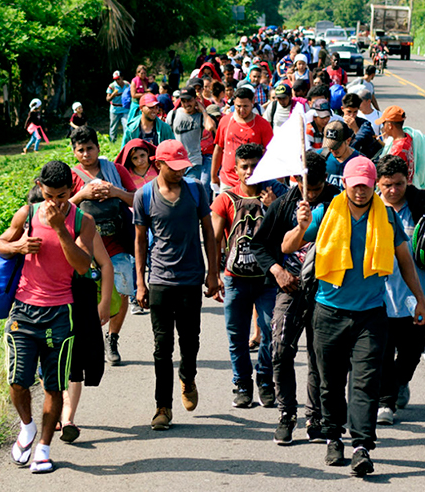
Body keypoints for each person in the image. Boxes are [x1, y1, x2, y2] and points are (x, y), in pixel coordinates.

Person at [281, 156, 425, 476]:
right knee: (330, 382)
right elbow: (287, 244)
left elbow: (404, 260)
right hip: (329, 313)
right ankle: (334, 437)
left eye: (366, 184)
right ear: (345, 183)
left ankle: (362, 446)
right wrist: (302, 225)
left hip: (371, 316)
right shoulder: (325, 212)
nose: (360, 190)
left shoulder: (386, 217)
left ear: (373, 184)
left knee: (365, 383)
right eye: (355, 184)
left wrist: (420, 300)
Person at [0, 160, 96, 474]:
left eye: (63, 195)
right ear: (41, 188)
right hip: (23, 311)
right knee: (17, 381)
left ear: (72, 189)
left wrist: (58, 229)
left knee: (54, 386)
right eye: (51, 195)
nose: (56, 202)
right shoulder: (26, 214)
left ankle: (43, 448)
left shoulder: (83, 221)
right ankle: (27, 428)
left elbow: (82, 265)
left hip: (60, 313)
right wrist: (18, 247)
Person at [249, 151, 339, 445]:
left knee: (320, 357)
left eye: (316, 188)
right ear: (295, 180)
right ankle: (287, 414)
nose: (310, 194)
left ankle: (316, 417)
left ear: (325, 181)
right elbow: (260, 245)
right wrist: (277, 272)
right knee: (280, 350)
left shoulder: (338, 201)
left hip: (325, 292)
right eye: (306, 187)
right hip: (289, 289)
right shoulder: (285, 202)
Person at [133, 140, 221, 430]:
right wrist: (140, 283)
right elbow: (139, 242)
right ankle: (163, 407)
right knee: (162, 347)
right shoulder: (144, 196)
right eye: (174, 168)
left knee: (190, 339)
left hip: (191, 278)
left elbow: (209, 232)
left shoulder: (196, 190)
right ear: (159, 164)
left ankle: (188, 375)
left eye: (184, 167)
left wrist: (212, 273)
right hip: (159, 279)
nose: (180, 173)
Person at [210, 143, 281, 408]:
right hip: (235, 278)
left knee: (269, 332)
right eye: (244, 166)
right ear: (236, 170)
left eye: (255, 165)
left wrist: (272, 208)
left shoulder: (277, 195)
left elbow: (287, 237)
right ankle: (241, 383)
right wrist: (214, 275)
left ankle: (264, 380)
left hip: (267, 280)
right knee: (236, 336)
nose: (250, 171)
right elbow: (214, 239)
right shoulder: (226, 199)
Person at [375, 155, 425, 426]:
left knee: (413, 348)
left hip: (414, 296)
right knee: (383, 351)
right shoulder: (369, 208)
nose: (393, 190)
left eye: (398, 184)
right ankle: (385, 403)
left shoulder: (421, 208)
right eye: (387, 184)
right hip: (378, 296)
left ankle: (401, 382)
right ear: (378, 183)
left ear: (407, 181)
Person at [69, 126, 137, 366]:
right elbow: (61, 208)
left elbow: (137, 199)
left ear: (98, 148)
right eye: (81, 150)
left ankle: (113, 338)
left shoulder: (116, 171)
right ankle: (89, 339)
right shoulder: (72, 177)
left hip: (117, 241)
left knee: (122, 291)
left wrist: (114, 191)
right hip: (85, 246)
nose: (86, 154)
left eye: (90, 148)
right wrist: (82, 195)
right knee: (85, 294)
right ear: (74, 152)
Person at [60, 221, 115, 443]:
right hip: (49, 305)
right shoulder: (34, 226)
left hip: (81, 302)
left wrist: (105, 302)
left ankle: (67, 419)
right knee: (50, 362)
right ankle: (58, 409)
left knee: (75, 363)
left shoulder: (82, 225)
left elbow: (106, 265)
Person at [211, 87, 274, 191]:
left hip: (253, 182)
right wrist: (213, 175)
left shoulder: (263, 125)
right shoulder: (225, 121)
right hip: (228, 181)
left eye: (245, 106)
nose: (241, 110)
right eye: (238, 106)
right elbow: (218, 149)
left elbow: (270, 154)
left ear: (253, 102)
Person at [166, 86, 216, 197]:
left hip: (194, 161)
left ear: (195, 99)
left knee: (189, 193)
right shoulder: (173, 115)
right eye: (183, 101)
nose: (186, 104)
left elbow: (210, 126)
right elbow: (167, 136)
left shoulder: (200, 116)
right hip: (177, 162)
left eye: (189, 100)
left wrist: (203, 110)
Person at [375, 106, 415, 183]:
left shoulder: (398, 149)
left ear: (389, 125)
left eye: (384, 124)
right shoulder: (407, 137)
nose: (383, 128)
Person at [318, 120, 360, 188]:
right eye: (330, 146)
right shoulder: (320, 157)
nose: (332, 150)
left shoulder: (360, 162)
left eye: (336, 146)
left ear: (348, 141)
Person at [340, 93, 381, 159]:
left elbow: (365, 140)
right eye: (349, 112)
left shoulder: (365, 124)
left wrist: (355, 128)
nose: (352, 115)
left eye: (355, 112)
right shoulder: (337, 122)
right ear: (342, 109)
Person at [107, 71, 131, 141]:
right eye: (115, 79)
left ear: (122, 77)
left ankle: (126, 141)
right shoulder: (112, 86)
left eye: (118, 79)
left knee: (126, 125)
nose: (117, 81)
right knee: (113, 127)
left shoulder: (127, 84)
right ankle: (112, 141)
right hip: (115, 110)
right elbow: (107, 99)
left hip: (125, 109)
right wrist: (112, 95)